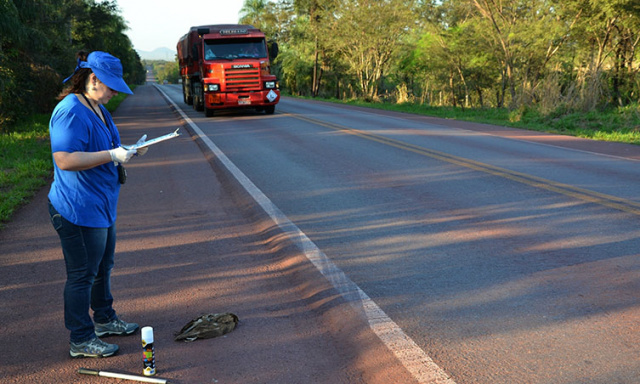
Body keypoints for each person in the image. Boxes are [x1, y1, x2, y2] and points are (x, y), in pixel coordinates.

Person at [48, 50, 147, 358]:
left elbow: (106, 145)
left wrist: (128, 150)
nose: (115, 92)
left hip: (101, 204)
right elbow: (64, 159)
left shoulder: (97, 106)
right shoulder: (71, 110)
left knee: (103, 266)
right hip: (77, 208)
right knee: (82, 275)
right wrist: (111, 156)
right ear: (93, 79)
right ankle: (80, 338)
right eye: (111, 85)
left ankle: (104, 319)